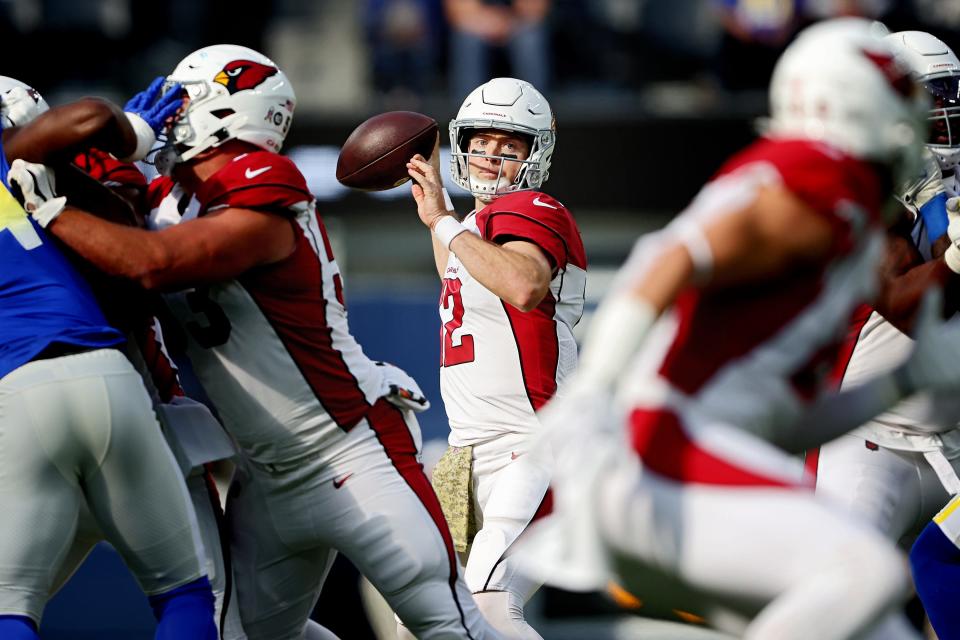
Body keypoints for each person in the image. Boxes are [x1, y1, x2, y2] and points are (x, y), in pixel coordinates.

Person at [11, 43, 502, 640]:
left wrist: (48, 206)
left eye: (183, 99)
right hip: (264, 478)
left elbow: (154, 262)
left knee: (449, 626)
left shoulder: (264, 181)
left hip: (348, 447)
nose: (171, 115)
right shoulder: (169, 199)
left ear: (222, 109)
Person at [515, 17, 956, 640]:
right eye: (903, 100)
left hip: (691, 463)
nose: (919, 123)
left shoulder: (853, 221)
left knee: (877, 625)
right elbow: (665, 259)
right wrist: (593, 390)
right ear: (858, 104)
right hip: (659, 458)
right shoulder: (819, 177)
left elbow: (792, 423)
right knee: (867, 575)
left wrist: (904, 379)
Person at [0, 77, 218, 638]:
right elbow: (93, 122)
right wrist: (136, 133)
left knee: (10, 609)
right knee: (187, 596)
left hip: (20, 393)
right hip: (110, 380)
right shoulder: (34, 179)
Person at [405, 76, 585, 639]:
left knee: (488, 601)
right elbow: (460, 273)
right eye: (481, 141)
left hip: (531, 446)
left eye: (511, 145)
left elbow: (524, 282)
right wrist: (441, 209)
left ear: (536, 155)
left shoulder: (533, 207)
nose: (491, 154)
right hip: (474, 454)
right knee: (432, 618)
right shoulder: (477, 229)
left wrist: (442, 220)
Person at [812, 30, 960, 551]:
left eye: (951, 94)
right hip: (871, 442)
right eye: (934, 97)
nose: (948, 111)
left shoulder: (946, 176)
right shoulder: (861, 185)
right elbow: (902, 302)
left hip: (954, 436)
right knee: (840, 588)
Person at [444, 0, 552, 101]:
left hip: (518, 24)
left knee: (530, 41)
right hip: (478, 24)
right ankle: (466, 111)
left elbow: (536, 9)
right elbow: (458, 10)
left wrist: (507, 22)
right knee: (467, 40)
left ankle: (536, 109)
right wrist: (490, 22)